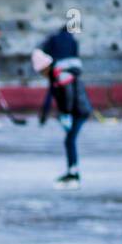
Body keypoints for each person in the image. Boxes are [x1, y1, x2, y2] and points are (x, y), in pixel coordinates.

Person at [33, 46, 91, 189]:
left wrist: (66, 113)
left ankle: (73, 173)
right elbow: (51, 96)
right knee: (69, 141)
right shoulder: (54, 75)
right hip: (73, 112)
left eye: (41, 71)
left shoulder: (61, 74)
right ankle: (72, 170)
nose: (41, 74)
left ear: (45, 67)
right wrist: (45, 115)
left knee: (69, 140)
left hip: (79, 111)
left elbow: (69, 96)